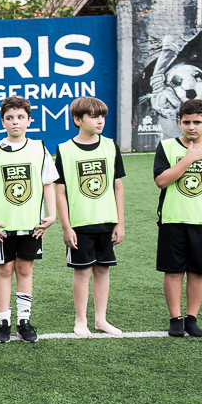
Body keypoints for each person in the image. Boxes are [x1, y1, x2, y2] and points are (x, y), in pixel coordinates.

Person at [0, 96, 57, 343]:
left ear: (29, 120)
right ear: (2, 121)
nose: (15, 122)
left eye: (21, 117)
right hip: (3, 225)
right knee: (4, 270)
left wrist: (52, 215)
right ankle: (4, 320)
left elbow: (48, 184)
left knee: (25, 269)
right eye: (10, 118)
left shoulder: (40, 149)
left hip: (31, 224)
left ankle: (24, 320)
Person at [153, 98, 202, 337]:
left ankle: (192, 318)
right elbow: (161, 181)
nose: (191, 127)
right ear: (179, 122)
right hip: (173, 219)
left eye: (197, 122)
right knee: (174, 270)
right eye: (186, 122)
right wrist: (188, 159)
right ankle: (175, 318)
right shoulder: (167, 147)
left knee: (198, 271)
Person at [55, 97, 126, 338]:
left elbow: (117, 186)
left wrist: (120, 222)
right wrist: (66, 226)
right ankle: (80, 321)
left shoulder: (110, 145)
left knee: (103, 270)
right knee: (82, 271)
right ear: (78, 120)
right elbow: (60, 191)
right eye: (94, 116)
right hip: (80, 223)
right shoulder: (64, 149)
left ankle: (101, 320)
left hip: (106, 221)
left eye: (102, 116)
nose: (100, 121)